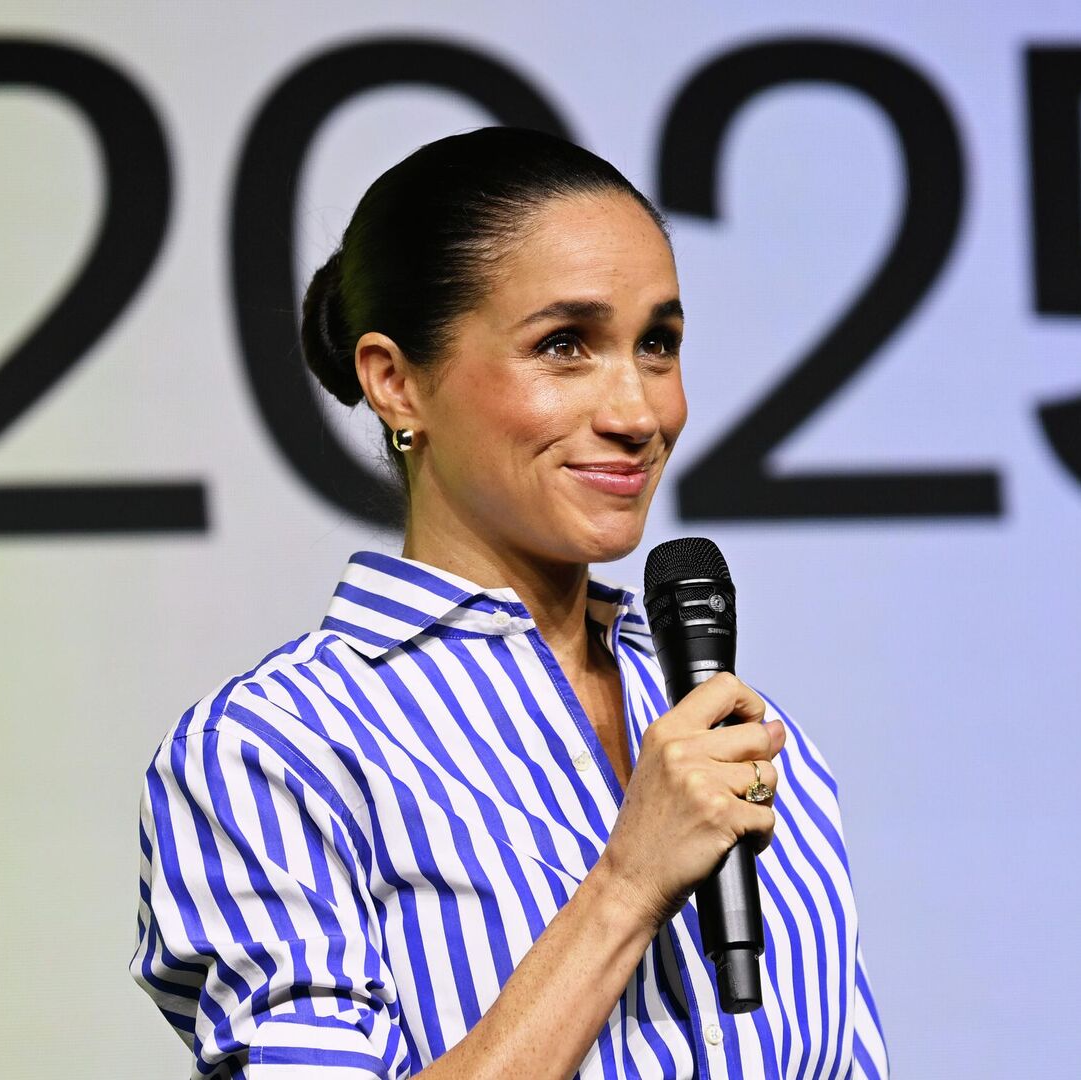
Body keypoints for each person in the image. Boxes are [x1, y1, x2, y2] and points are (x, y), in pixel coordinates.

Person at [130, 126, 888, 1079]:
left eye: (658, 344)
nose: (639, 413)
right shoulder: (275, 752)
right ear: (396, 383)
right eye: (565, 345)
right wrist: (627, 886)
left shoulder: (740, 732)